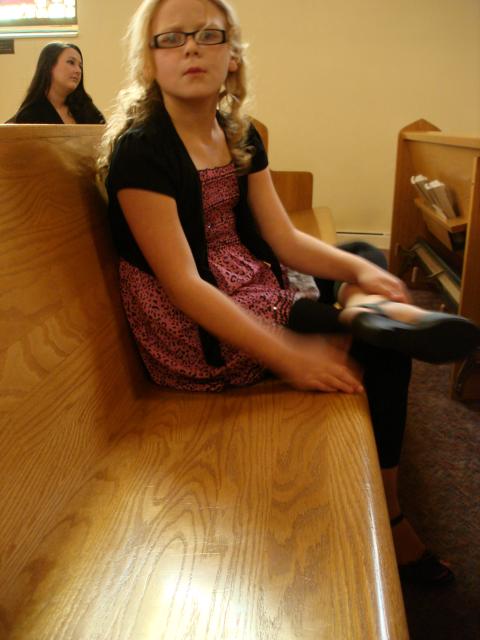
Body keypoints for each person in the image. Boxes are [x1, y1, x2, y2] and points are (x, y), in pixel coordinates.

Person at [98, 0, 479, 585]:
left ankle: (363, 306)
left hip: (247, 277)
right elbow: (184, 285)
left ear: (232, 55)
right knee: (385, 353)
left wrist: (362, 273)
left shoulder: (237, 132)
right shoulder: (142, 148)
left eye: (207, 35)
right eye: (170, 39)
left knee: (363, 254)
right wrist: (288, 355)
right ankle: (391, 516)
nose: (190, 48)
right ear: (149, 63)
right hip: (196, 328)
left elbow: (282, 237)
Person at [10, 42, 105, 124]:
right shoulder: (28, 115)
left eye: (80, 66)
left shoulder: (86, 108)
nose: (78, 71)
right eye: (71, 62)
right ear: (49, 66)